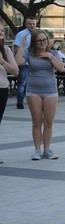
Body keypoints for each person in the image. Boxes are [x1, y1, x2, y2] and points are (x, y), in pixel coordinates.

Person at [15, 29, 65, 160]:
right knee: (36, 122)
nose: (43, 42)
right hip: (33, 90)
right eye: (39, 40)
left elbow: (61, 68)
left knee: (48, 122)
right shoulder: (30, 53)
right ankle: (37, 150)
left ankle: (47, 149)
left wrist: (49, 56)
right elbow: (18, 62)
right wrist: (21, 46)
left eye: (45, 40)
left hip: (50, 91)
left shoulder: (53, 53)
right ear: (34, 42)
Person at [0, 23, 20, 164]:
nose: (1, 32)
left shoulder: (5, 50)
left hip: (1, 88)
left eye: (2, 30)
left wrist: (2, 62)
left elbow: (16, 71)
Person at [13, 16, 37, 109]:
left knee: (33, 83)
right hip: (24, 63)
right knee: (23, 82)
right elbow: (16, 48)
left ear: (36, 23)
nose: (32, 25)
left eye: (33, 24)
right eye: (30, 24)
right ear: (26, 24)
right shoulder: (21, 34)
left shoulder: (38, 34)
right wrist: (18, 61)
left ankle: (33, 101)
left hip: (35, 62)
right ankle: (20, 101)